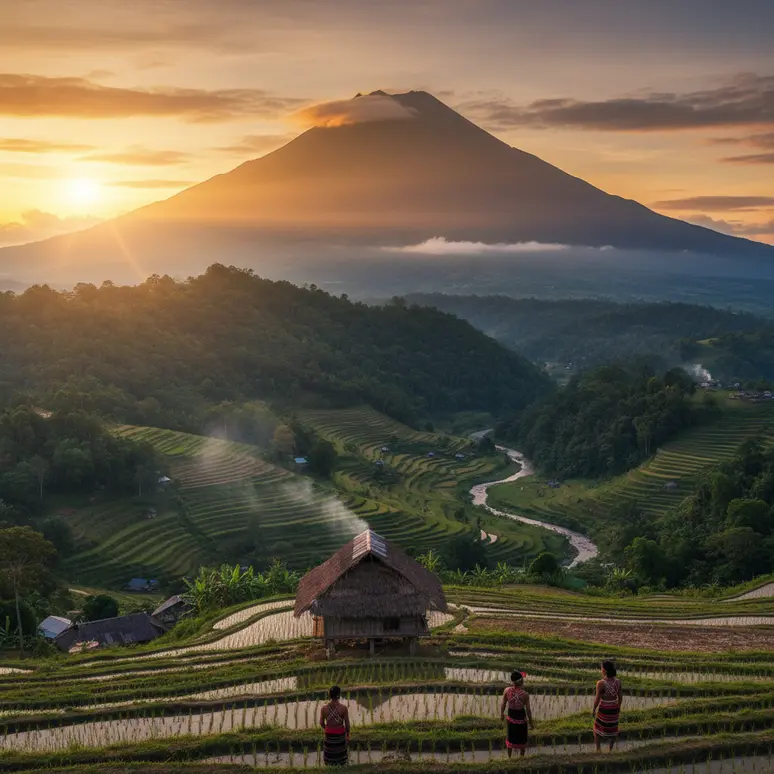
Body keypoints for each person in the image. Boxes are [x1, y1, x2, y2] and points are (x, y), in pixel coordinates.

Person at [500, 670, 534, 757]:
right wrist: (531, 723)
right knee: (522, 738)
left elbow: (503, 703)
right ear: (521, 682)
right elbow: (528, 711)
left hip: (511, 717)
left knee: (510, 737)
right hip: (521, 718)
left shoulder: (506, 690)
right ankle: (521, 757)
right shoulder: (525, 694)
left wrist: (501, 714)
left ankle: (509, 757)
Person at [593, 660, 623, 752]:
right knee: (613, 729)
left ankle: (598, 750)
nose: (601, 670)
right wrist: (618, 707)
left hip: (604, 708)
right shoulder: (618, 682)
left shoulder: (601, 683)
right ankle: (610, 749)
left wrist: (593, 709)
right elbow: (620, 696)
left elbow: (597, 699)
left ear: (604, 670)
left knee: (596, 729)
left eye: (601, 668)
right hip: (614, 707)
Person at [320, 685, 350, 766]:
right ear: (338, 695)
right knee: (340, 750)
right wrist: (348, 735)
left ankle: (329, 763)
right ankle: (341, 762)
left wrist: (328, 729)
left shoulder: (324, 708)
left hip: (329, 734)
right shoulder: (343, 708)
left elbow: (321, 723)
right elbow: (347, 724)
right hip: (340, 735)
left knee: (329, 750)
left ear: (330, 695)